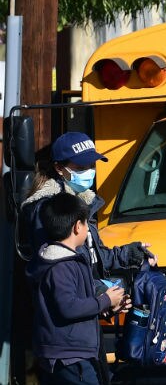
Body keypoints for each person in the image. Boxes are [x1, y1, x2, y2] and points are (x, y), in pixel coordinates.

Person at [21, 131, 157, 383]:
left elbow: (94, 256)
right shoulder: (52, 210)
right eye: (81, 166)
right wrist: (105, 298)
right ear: (59, 169)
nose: (89, 172)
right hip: (66, 340)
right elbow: (63, 273)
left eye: (91, 165)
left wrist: (130, 253)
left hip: (84, 329)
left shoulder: (81, 202)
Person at [30, 192, 127, 385]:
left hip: (69, 355)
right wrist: (105, 300)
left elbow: (70, 306)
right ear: (77, 227)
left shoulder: (65, 261)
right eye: (86, 223)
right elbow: (69, 307)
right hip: (70, 358)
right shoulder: (62, 265)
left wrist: (106, 310)